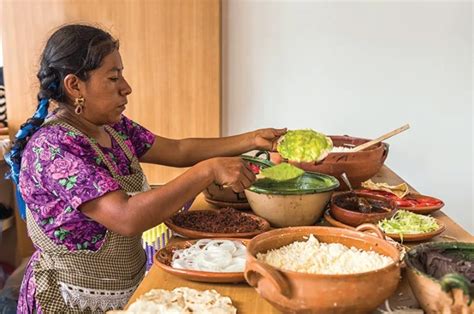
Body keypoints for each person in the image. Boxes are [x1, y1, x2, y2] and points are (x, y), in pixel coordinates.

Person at [5, 24, 285, 313]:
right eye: (113, 77)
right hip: (72, 300)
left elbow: (178, 149)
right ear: (75, 85)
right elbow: (126, 216)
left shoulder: (113, 128)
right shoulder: (53, 147)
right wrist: (208, 171)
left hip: (125, 286)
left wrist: (251, 139)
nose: (126, 87)